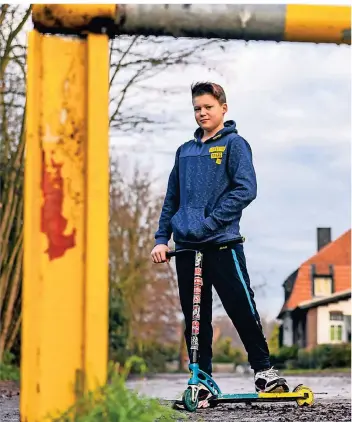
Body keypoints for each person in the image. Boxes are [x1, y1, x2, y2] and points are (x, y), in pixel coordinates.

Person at [151, 82, 289, 407]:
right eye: (197, 108)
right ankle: (201, 379)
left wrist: (210, 223)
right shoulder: (184, 151)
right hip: (186, 248)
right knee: (195, 316)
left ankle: (264, 371)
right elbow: (172, 199)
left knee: (242, 307)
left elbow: (245, 189)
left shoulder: (235, 145)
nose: (202, 113)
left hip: (222, 244)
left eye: (207, 108)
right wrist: (161, 238)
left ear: (223, 109)